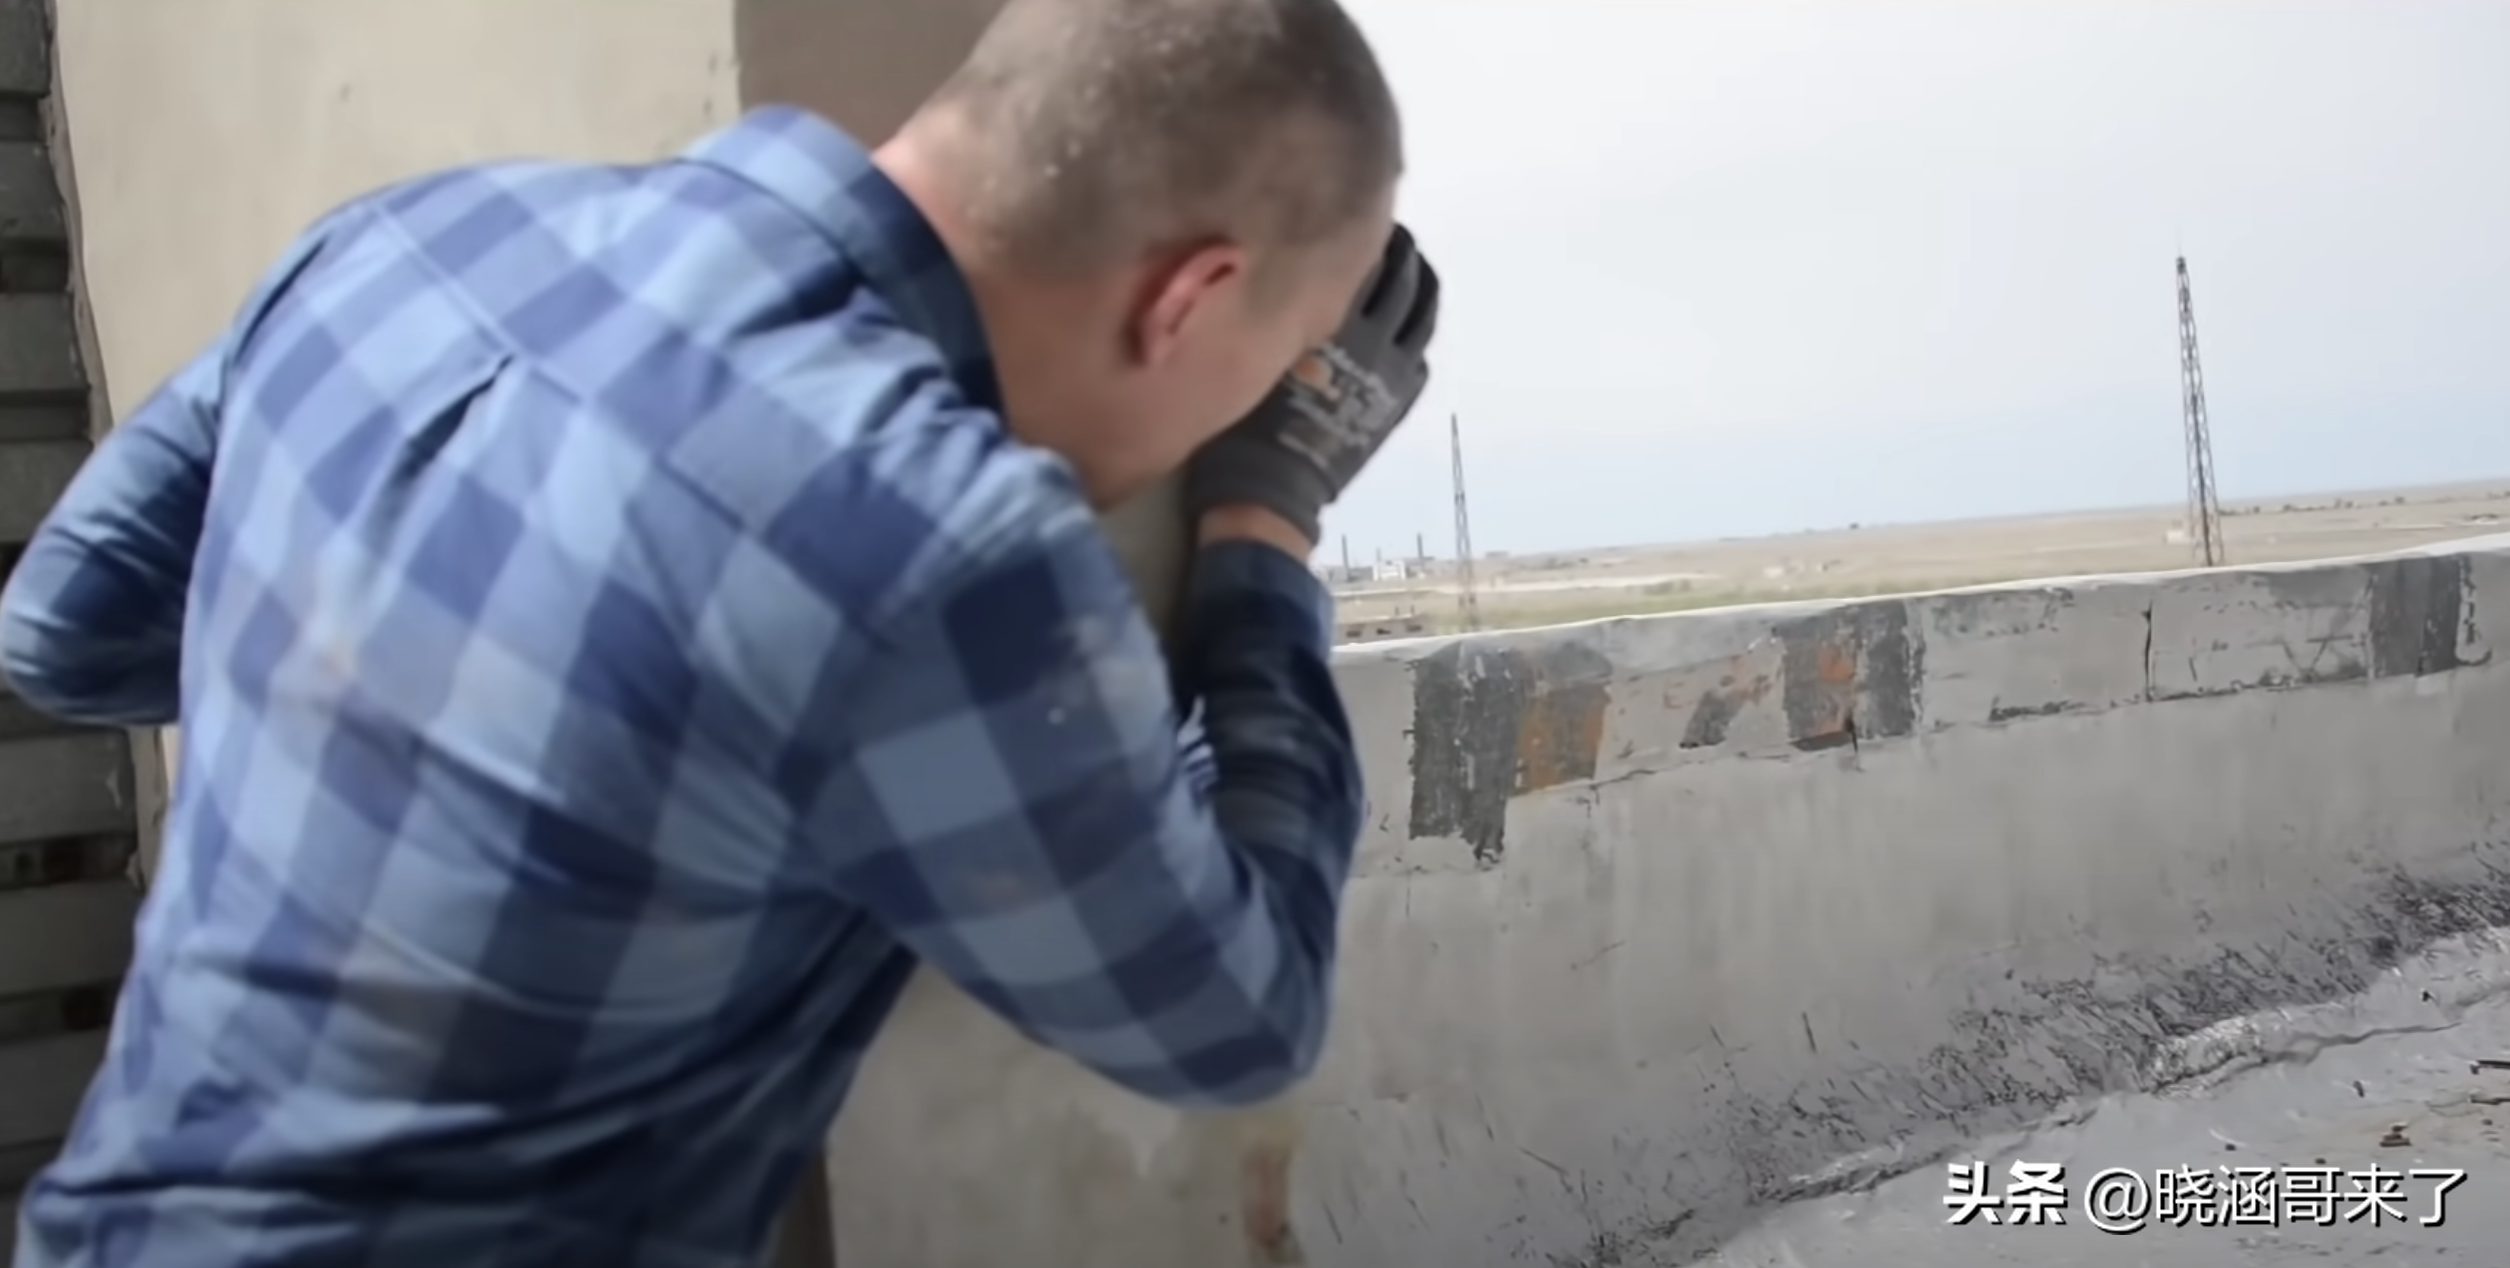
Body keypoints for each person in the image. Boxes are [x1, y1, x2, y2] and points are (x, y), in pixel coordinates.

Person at [0, 0, 1438, 1262]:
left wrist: (403, 691)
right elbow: (1233, 1016)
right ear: (1189, 299)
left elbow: (60, 631)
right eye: (1264, 364)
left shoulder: (401, 241)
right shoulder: (942, 540)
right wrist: (1269, 517)